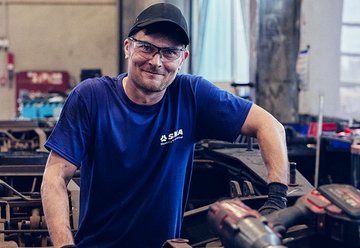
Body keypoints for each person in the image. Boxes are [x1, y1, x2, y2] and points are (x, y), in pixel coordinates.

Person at [41, 3, 289, 248]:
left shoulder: (192, 95)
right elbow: (54, 176)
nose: (156, 61)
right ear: (128, 47)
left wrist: (277, 198)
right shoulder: (92, 97)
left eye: (170, 52)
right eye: (147, 48)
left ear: (183, 58)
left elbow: (270, 126)